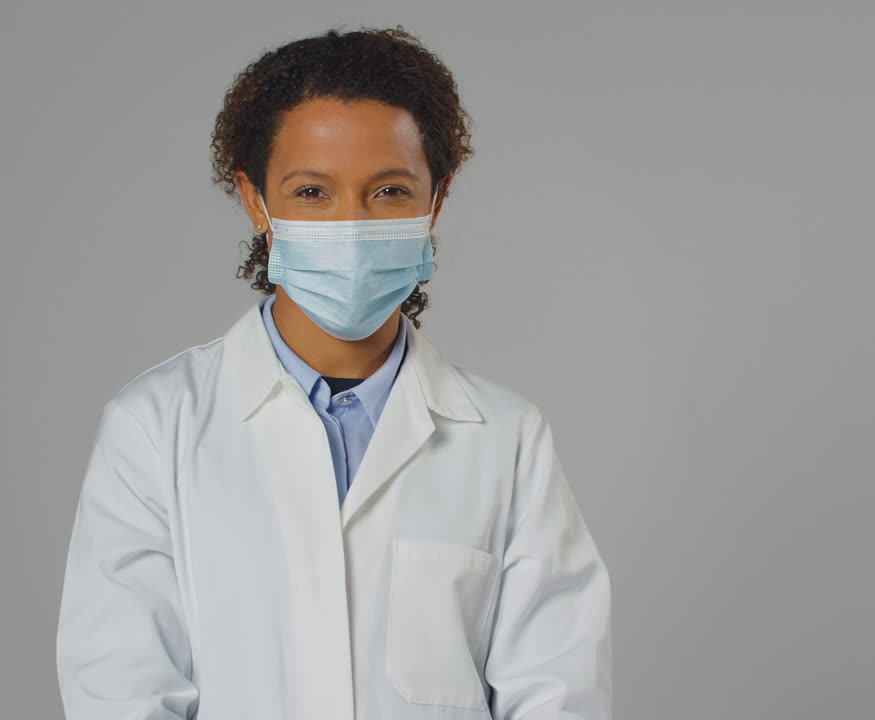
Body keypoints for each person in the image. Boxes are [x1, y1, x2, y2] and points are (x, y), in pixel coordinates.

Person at [55, 25, 612, 720]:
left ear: (434, 202)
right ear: (257, 202)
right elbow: (122, 693)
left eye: (387, 191)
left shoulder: (508, 441)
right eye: (313, 192)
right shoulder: (153, 429)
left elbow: (556, 694)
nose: (351, 224)